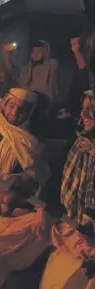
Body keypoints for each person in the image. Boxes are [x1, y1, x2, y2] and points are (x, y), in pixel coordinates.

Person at [0, 88, 50, 226]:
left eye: (21, 110)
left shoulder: (31, 144)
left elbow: (36, 179)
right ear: (4, 106)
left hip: (15, 213)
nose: (14, 113)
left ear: (28, 114)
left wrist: (16, 180)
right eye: (11, 106)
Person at [61, 90, 95, 224]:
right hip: (73, 223)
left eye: (92, 109)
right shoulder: (80, 145)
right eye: (83, 109)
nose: (84, 114)